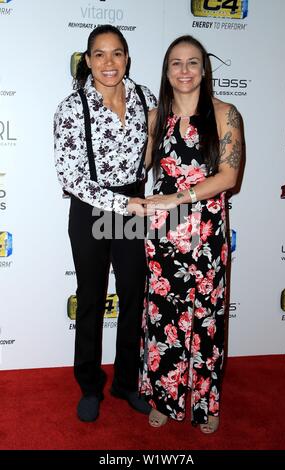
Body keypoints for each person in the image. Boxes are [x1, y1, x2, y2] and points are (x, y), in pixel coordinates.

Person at [54, 25, 157, 422]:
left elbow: (153, 145)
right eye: (99, 54)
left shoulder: (146, 96)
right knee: (92, 297)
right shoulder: (70, 107)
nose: (109, 63)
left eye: (117, 53)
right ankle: (90, 386)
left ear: (127, 57)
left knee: (134, 293)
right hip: (92, 207)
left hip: (134, 203)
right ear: (88, 60)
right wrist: (123, 203)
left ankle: (127, 382)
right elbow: (71, 177)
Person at [139, 35, 242, 433]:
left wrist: (179, 196)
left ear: (204, 69)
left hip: (208, 230)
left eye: (192, 62)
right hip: (163, 232)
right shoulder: (154, 118)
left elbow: (229, 176)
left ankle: (205, 403)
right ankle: (163, 397)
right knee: (161, 316)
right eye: (176, 63)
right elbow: (136, 172)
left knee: (207, 319)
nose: (184, 71)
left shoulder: (225, 114)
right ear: (166, 71)